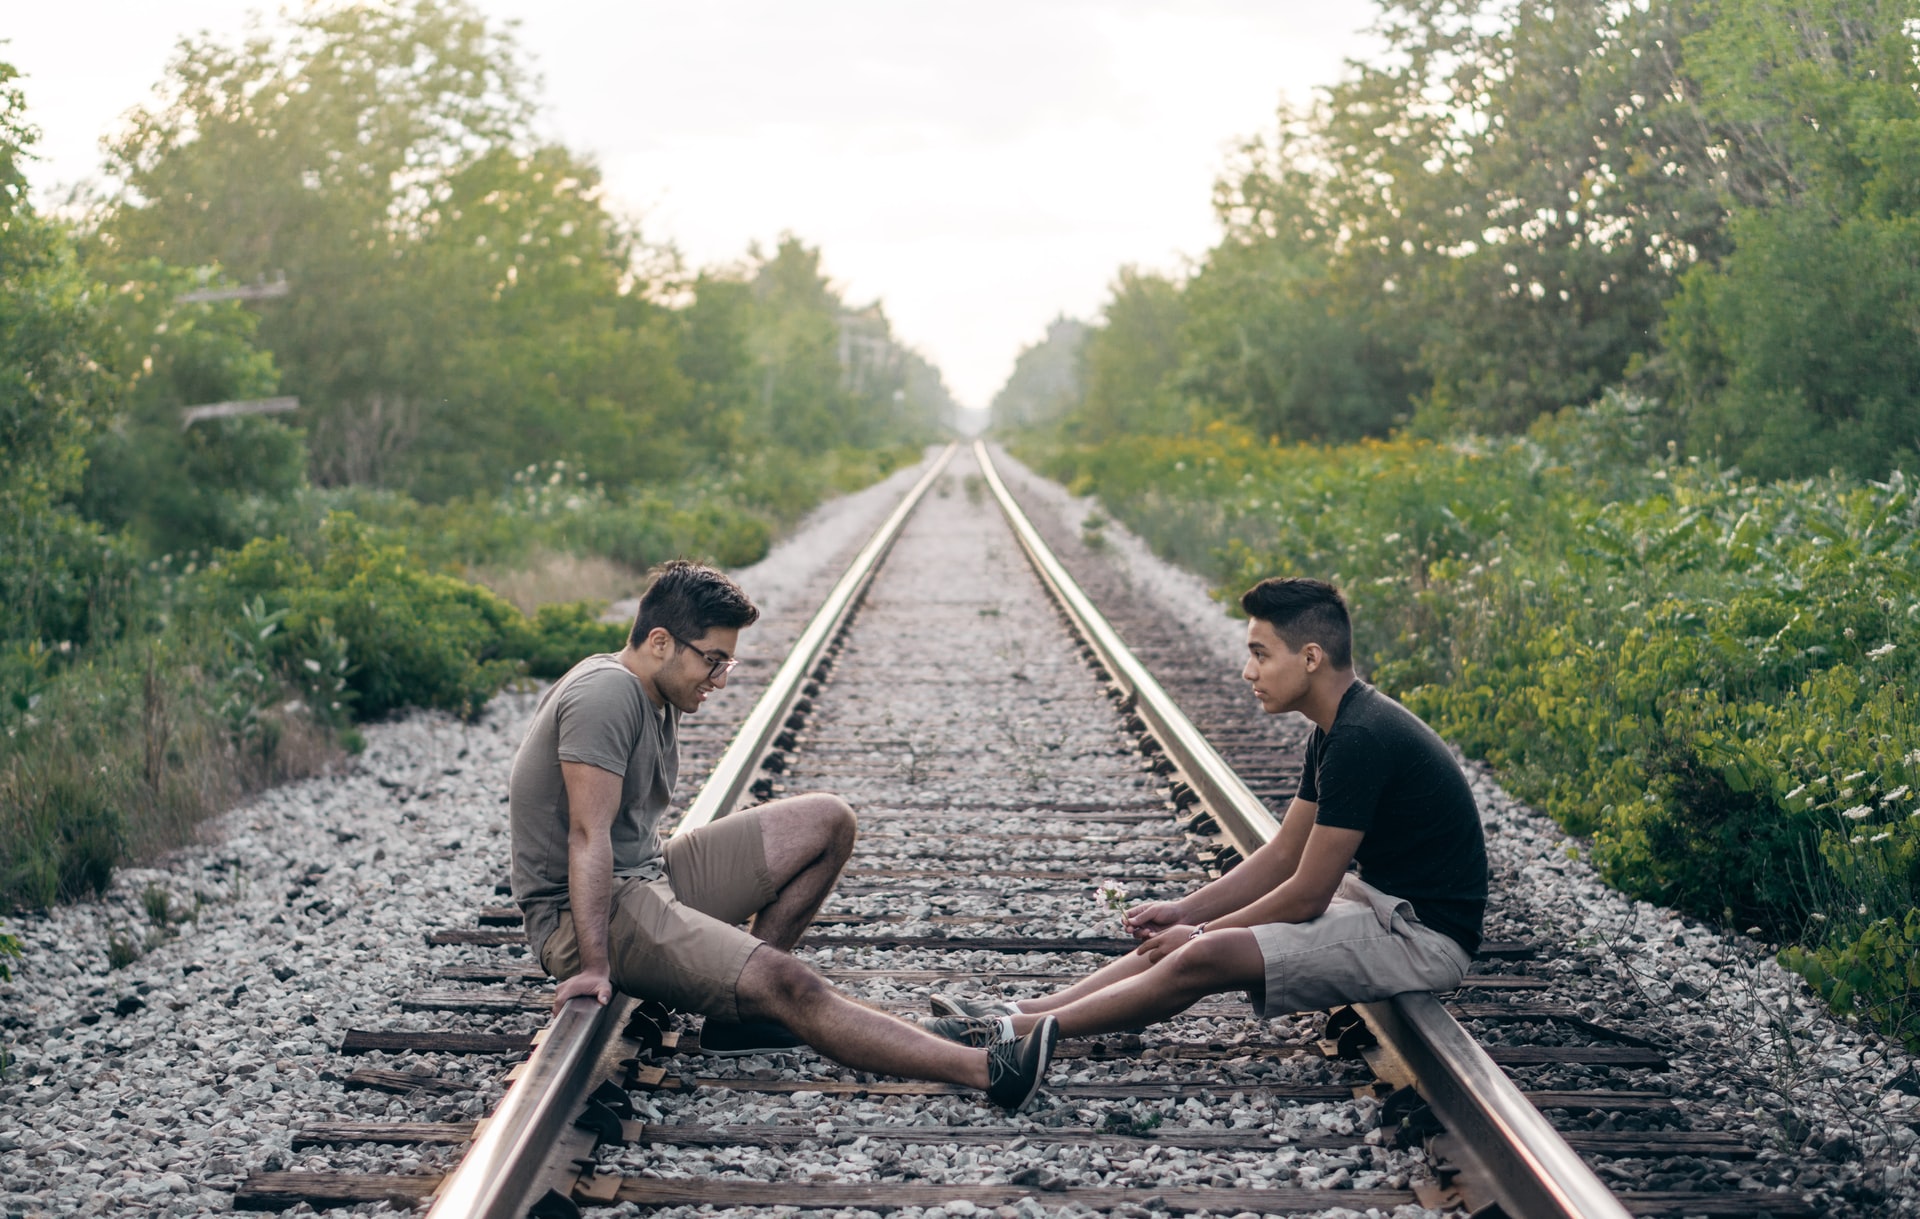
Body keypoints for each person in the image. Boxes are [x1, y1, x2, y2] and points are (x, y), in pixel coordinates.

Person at [509, 559, 1057, 1110]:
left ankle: (740, 1016)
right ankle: (989, 1070)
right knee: (789, 982)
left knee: (828, 820)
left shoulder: (654, 692)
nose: (720, 679)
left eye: (728, 661)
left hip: (646, 876)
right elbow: (586, 835)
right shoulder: (607, 694)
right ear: (659, 641)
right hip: (582, 916)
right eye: (713, 659)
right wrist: (595, 965)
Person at [922, 577, 1487, 1045]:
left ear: (1311, 657)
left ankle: (1017, 1031)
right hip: (1384, 906)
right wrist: (1183, 910)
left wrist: (1198, 933)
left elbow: (1308, 893)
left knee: (1207, 953)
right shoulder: (1340, 727)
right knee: (1194, 938)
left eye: (1260, 654)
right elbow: (1285, 853)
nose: (1249, 672)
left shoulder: (1361, 737)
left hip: (1424, 937)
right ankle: (1025, 1007)